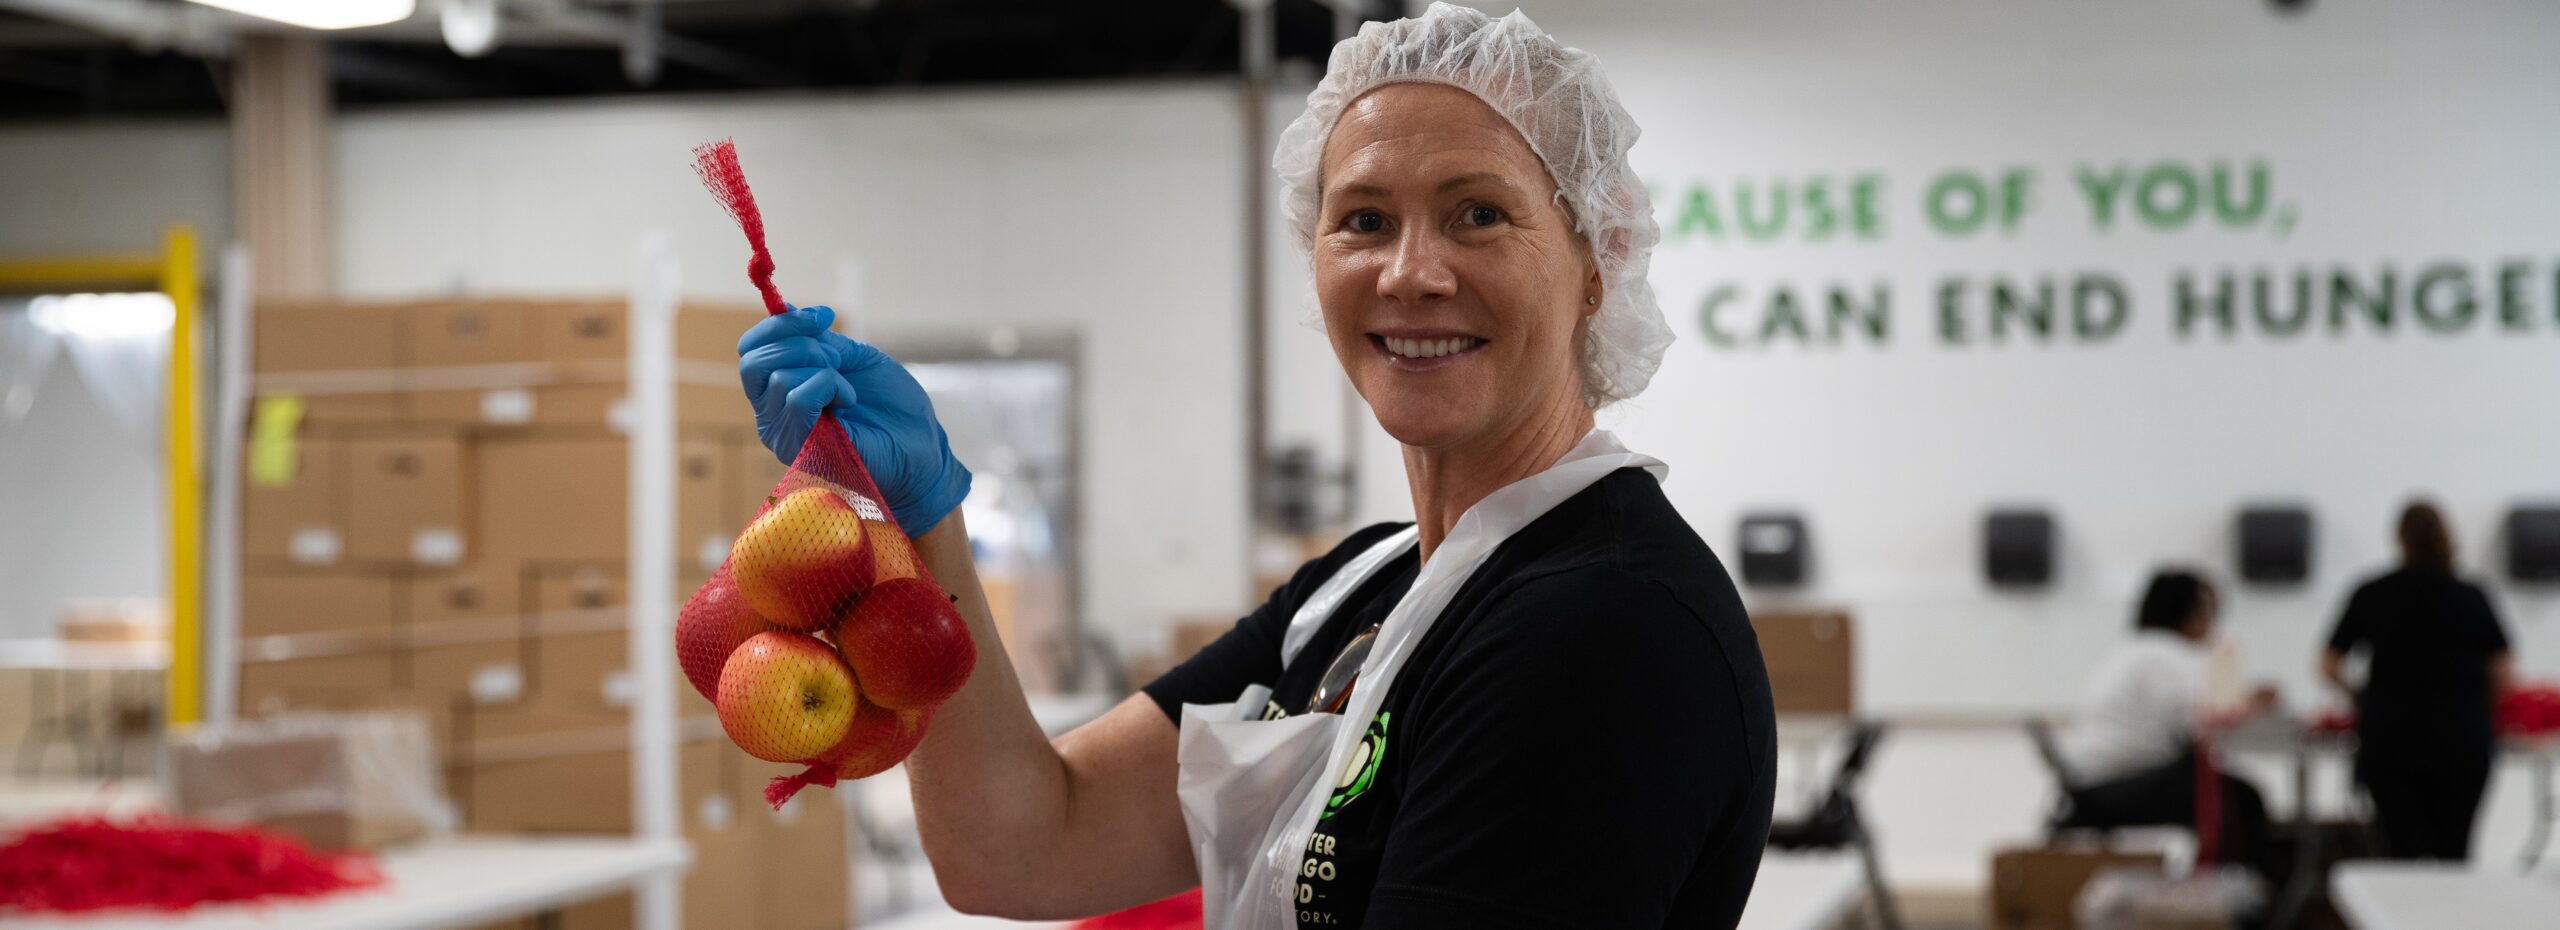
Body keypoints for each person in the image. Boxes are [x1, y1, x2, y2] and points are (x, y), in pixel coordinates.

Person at [731, 5, 1775, 928]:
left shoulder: (1600, 625)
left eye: (1479, 213)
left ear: (1595, 263)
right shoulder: (1364, 590)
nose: (1410, 273)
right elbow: (1024, 844)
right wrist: (925, 519)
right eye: (1363, 220)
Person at [2322, 501, 2516, 861]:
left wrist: (2361, 695)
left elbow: (2329, 663)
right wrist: (2477, 705)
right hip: (2462, 737)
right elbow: (2503, 669)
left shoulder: (2374, 593)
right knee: (2454, 851)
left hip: (2392, 736)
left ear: (2400, 539)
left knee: (2400, 851)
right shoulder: (2470, 595)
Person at [2056, 571, 2274, 874]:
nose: (2213, 623)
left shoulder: (2132, 651)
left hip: (2092, 782)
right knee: (2241, 799)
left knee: (2225, 789)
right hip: (2116, 783)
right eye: (2209, 611)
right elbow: (2202, 719)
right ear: (2190, 612)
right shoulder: (2167, 656)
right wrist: (2251, 702)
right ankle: (2237, 901)